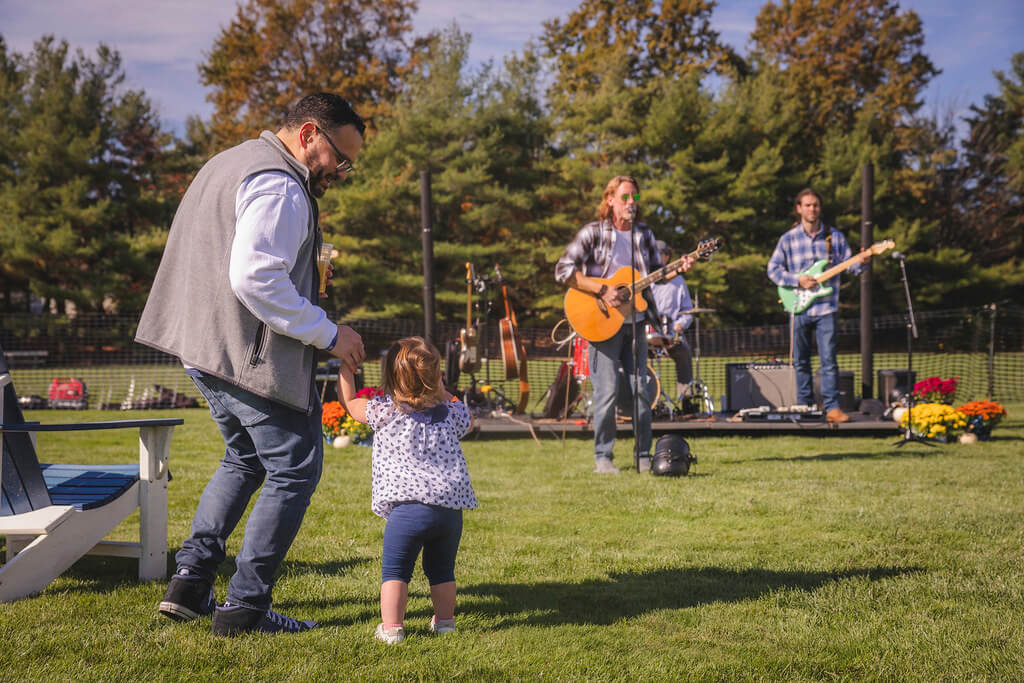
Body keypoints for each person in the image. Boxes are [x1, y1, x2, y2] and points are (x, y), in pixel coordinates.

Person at [136, 93, 367, 636]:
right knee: (295, 466)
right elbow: (256, 278)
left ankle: (190, 584)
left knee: (243, 459)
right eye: (340, 155)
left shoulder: (229, 160)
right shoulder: (281, 183)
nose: (341, 170)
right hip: (246, 355)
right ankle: (245, 608)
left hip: (202, 348)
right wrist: (330, 332)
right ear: (310, 133)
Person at [338, 337, 477, 645]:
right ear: (436, 377)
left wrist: (346, 369)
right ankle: (445, 622)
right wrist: (441, 392)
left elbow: (350, 404)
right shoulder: (452, 415)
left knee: (395, 571)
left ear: (390, 377)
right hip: (448, 511)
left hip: (407, 512)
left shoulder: (383, 413)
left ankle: (392, 628)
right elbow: (467, 416)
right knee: (442, 571)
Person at [555, 175, 695, 473]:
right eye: (625, 197)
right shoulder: (593, 233)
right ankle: (603, 457)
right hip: (600, 320)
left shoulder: (644, 234)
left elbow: (657, 273)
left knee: (641, 391)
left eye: (635, 198)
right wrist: (602, 290)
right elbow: (562, 270)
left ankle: (643, 455)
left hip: (637, 322)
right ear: (610, 200)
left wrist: (679, 267)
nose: (632, 203)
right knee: (605, 393)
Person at [766, 188, 871, 424]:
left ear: (819, 208)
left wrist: (862, 262)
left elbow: (850, 267)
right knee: (801, 360)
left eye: (815, 205)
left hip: (826, 308)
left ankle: (832, 408)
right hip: (798, 308)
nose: (812, 209)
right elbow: (772, 270)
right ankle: (804, 406)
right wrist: (797, 280)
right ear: (799, 208)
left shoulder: (835, 237)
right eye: (807, 205)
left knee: (828, 360)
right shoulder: (788, 239)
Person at [649, 240, 695, 401]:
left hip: (670, 335)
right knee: (629, 354)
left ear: (667, 257)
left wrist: (680, 325)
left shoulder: (679, 281)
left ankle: (686, 400)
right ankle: (635, 401)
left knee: (684, 353)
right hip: (645, 335)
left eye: (659, 255)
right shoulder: (644, 279)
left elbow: (688, 311)